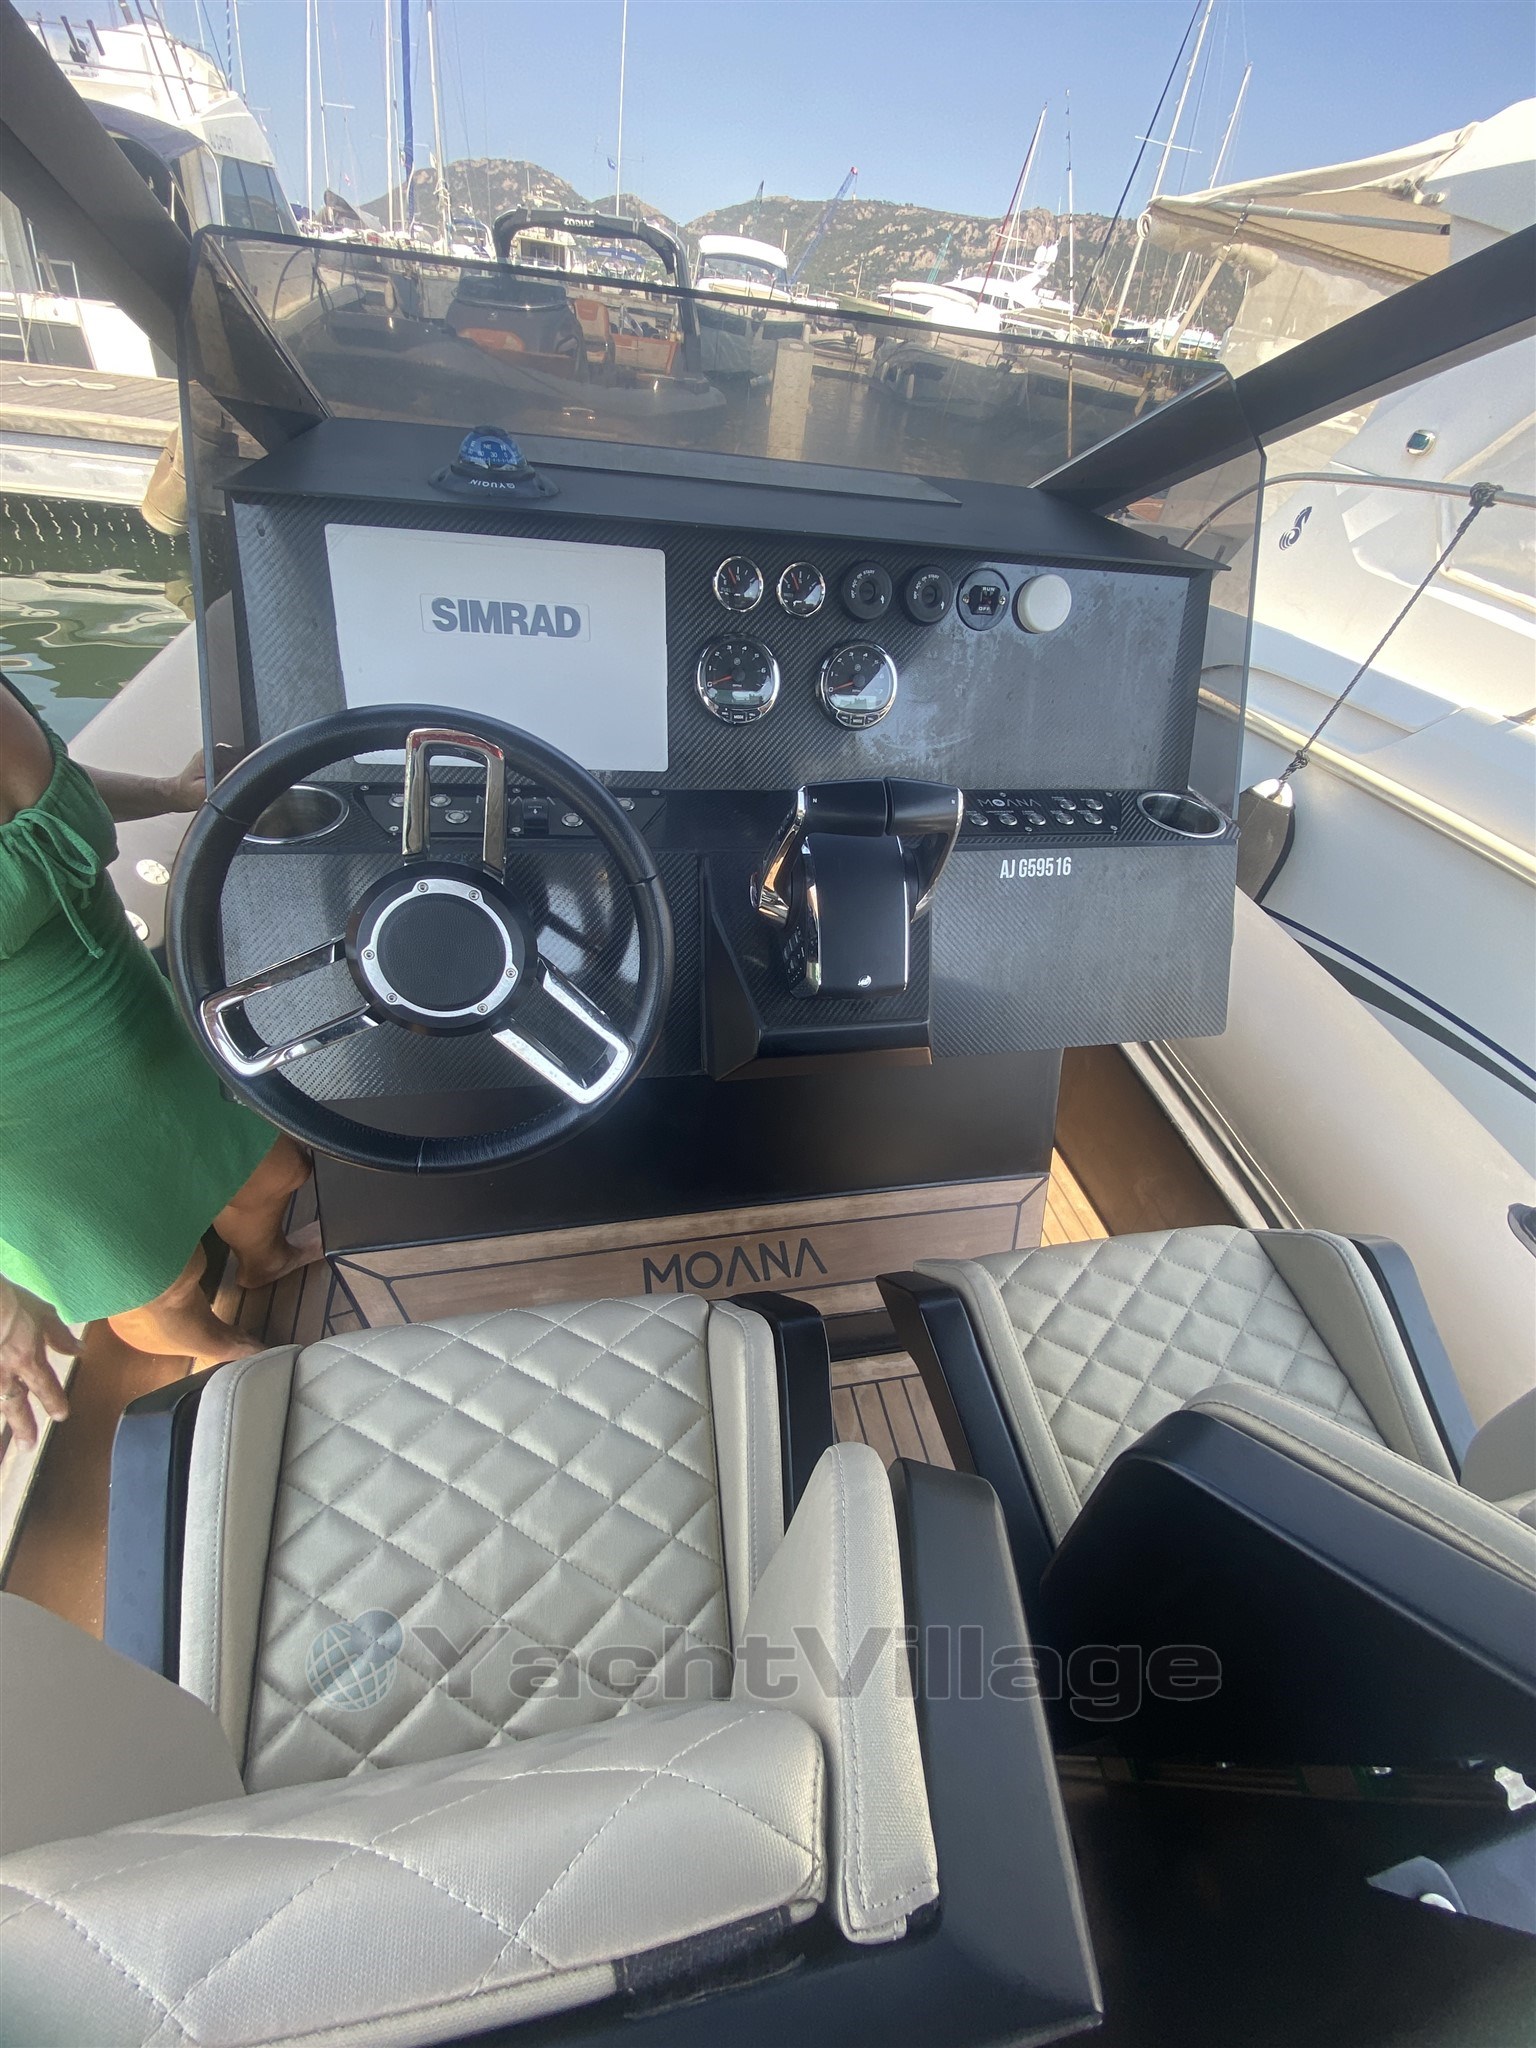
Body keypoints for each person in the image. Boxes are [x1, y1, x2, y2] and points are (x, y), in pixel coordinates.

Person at [0, 674, 320, 1445]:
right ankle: (223, 1351)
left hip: (135, 1018)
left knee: (274, 1172)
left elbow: (53, 797)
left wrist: (172, 794)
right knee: (159, 1285)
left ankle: (266, 1262)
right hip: (26, 1125)